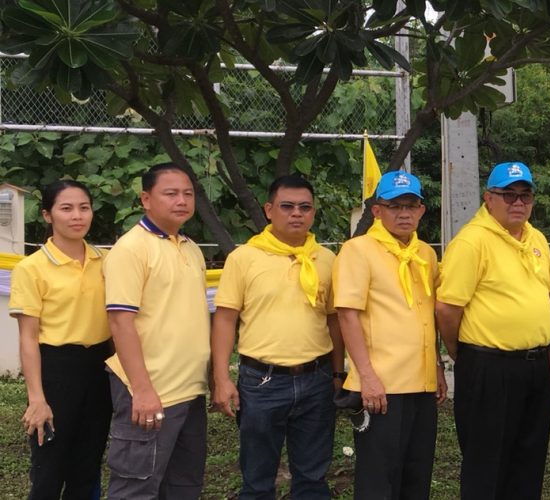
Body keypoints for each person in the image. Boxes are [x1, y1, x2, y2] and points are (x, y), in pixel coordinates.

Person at [210, 174, 343, 499]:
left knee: (313, 478)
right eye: (287, 206)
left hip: (317, 379)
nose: (296, 213)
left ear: (313, 213)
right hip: (262, 383)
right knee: (257, 479)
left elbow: (334, 321)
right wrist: (222, 379)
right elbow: (225, 320)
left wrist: (338, 374)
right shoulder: (244, 258)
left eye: (305, 207)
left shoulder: (327, 260)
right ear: (269, 210)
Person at [436, 162, 550, 500]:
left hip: (534, 365)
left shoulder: (535, 238)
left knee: (529, 460)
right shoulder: (472, 242)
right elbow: (447, 309)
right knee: (486, 462)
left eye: (525, 195)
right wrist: (460, 351)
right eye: (508, 195)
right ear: (488, 198)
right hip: (488, 365)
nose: (518, 202)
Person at [335, 170, 446, 499]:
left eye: (411, 205)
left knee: (416, 475)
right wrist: (367, 376)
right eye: (394, 206)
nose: (404, 213)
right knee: (378, 480)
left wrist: (437, 366)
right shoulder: (358, 250)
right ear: (377, 211)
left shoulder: (425, 254)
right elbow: (347, 314)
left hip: (421, 384)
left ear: (421, 210)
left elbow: (428, 316)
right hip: (382, 386)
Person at [104, 163, 210, 498]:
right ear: (146, 199)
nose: (182, 201)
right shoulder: (131, 249)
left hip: (190, 391)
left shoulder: (191, 248)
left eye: (188, 193)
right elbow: (120, 321)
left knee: (183, 486)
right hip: (150, 391)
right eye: (171, 193)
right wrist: (142, 390)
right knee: (135, 488)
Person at [9, 180, 111, 500]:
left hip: (100, 367)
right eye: (66, 208)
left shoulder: (107, 261)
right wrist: (37, 399)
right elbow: (28, 338)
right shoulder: (31, 268)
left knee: (88, 465)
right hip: (55, 369)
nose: (77, 216)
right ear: (47, 215)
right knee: (49, 468)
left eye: (84, 207)